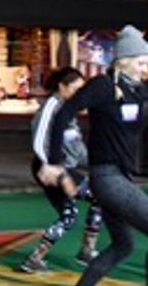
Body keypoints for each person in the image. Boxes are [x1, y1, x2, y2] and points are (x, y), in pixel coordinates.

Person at [39, 25, 148, 286]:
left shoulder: (143, 90)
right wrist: (55, 163)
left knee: (123, 244)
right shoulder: (102, 86)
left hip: (119, 177)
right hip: (107, 178)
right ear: (124, 60)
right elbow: (63, 114)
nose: (146, 67)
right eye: (141, 61)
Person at [20, 67, 102, 273]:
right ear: (62, 86)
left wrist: (96, 163)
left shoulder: (68, 110)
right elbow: (39, 140)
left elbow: (76, 145)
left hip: (63, 168)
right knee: (100, 196)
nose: (80, 94)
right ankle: (86, 250)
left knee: (69, 215)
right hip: (49, 167)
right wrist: (56, 171)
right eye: (76, 89)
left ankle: (35, 259)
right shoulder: (51, 106)